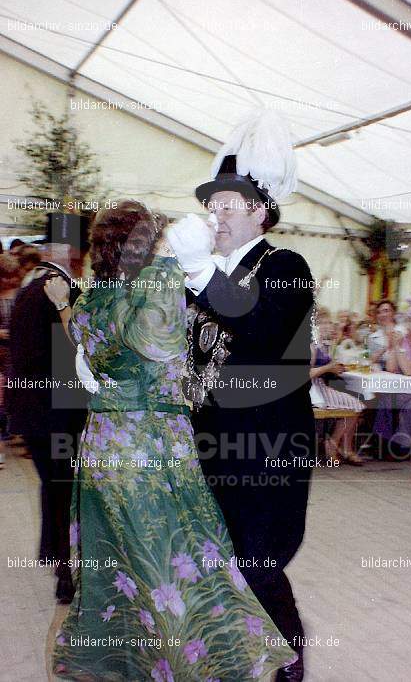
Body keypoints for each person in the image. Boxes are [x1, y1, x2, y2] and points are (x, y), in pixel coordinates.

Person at [50, 199, 296, 681]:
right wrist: (169, 269)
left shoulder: (94, 297)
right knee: (177, 566)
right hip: (150, 447)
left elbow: (86, 359)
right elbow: (159, 343)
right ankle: (197, 667)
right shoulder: (152, 287)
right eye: (160, 239)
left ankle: (127, 665)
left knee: (122, 569)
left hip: (104, 446)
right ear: (146, 246)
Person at [168, 110, 314, 682]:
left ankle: (290, 657)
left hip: (268, 447)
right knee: (218, 561)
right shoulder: (200, 274)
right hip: (209, 443)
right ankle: (236, 651)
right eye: (210, 205)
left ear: (260, 209)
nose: (213, 215)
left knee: (258, 561)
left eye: (225, 204)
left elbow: (264, 331)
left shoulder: (286, 265)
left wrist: (201, 275)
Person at [8, 212, 89, 602]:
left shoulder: (27, 288)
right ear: (72, 251)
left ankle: (57, 561)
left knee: (53, 487)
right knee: (65, 489)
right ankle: (65, 572)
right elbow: (76, 354)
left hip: (31, 410)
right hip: (60, 412)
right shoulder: (61, 291)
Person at [310, 311, 365, 465]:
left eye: (329, 323)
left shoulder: (324, 344)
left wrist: (336, 368)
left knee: (356, 406)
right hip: (313, 391)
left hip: (320, 387)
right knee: (356, 406)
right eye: (322, 323)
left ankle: (339, 446)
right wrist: (328, 368)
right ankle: (336, 446)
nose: (327, 326)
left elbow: (328, 367)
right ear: (314, 326)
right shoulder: (312, 346)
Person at [0, 254, 22, 468]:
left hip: (15, 358)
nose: (10, 281)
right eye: (5, 277)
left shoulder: (22, 294)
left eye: (12, 276)